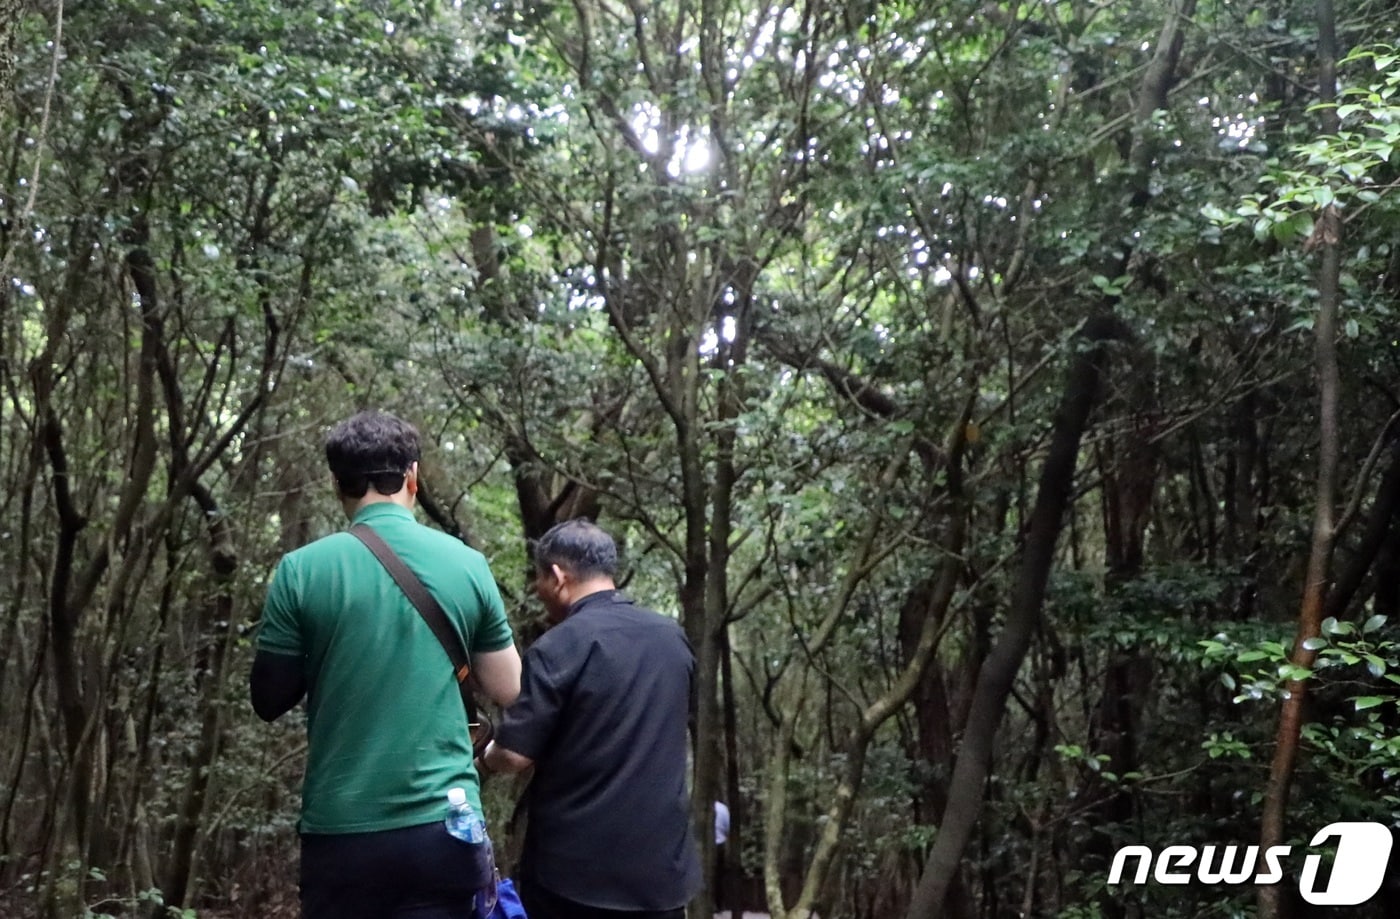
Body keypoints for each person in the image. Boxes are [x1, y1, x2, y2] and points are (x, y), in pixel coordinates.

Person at [250, 410, 522, 919]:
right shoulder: (467, 564)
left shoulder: (301, 570)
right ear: (412, 477)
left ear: (338, 486)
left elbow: (268, 698)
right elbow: (509, 689)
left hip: (342, 832)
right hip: (446, 827)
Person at [481, 519, 702, 919]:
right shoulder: (671, 638)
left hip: (575, 876)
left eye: (539, 579)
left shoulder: (559, 647)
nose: (537, 590)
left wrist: (483, 757)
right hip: (662, 872)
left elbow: (515, 756)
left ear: (557, 576)